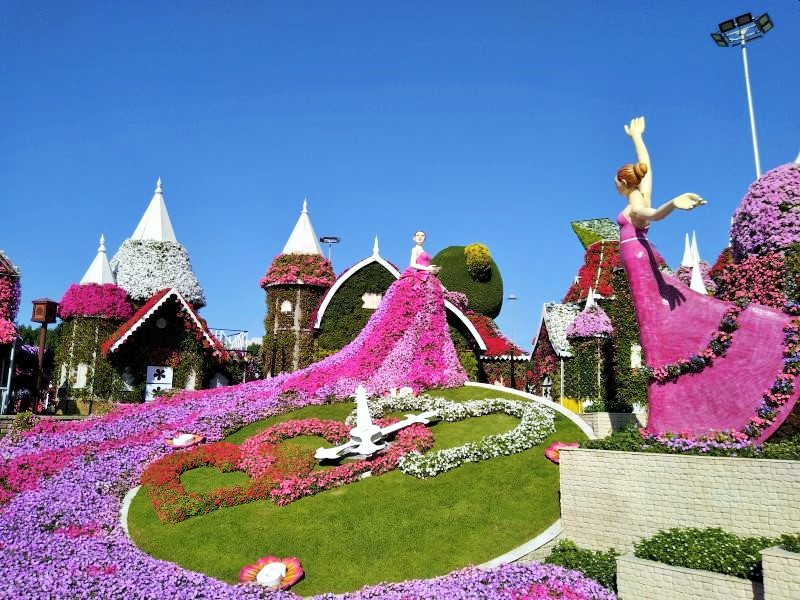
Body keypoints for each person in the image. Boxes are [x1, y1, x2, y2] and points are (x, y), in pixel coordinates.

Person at [616, 116, 798, 441]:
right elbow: (646, 170)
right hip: (642, 261)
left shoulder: (633, 208)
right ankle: (666, 416)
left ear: (623, 184)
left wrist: (673, 204)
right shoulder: (637, 196)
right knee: (658, 332)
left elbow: (651, 214)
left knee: (657, 334)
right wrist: (637, 138)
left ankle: (664, 420)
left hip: (641, 268)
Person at [280, 229, 466, 399]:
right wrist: (429, 270)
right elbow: (412, 264)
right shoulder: (415, 250)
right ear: (413, 238)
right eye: (417, 236)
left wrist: (436, 278)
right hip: (419, 277)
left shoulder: (425, 253)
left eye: (422, 236)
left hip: (427, 282)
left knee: (428, 320)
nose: (420, 238)